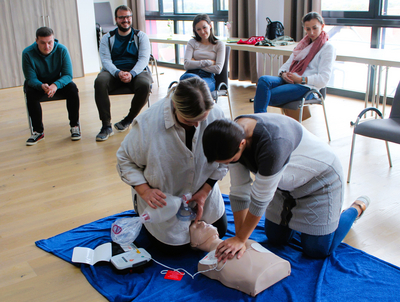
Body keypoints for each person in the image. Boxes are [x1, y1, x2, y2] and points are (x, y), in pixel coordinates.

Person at [202, 114, 371, 260]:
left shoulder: (273, 145)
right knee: (276, 239)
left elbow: (259, 200)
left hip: (320, 181)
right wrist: (240, 238)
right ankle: (313, 225)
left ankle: (355, 209)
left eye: (230, 161)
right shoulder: (230, 135)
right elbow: (239, 192)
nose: (230, 164)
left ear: (242, 144)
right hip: (285, 184)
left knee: (317, 250)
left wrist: (240, 238)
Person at [116, 77, 228, 254]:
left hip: (201, 188)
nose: (198, 125)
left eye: (202, 119)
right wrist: (144, 190)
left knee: (220, 231)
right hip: (165, 198)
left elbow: (226, 156)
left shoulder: (216, 114)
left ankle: (202, 199)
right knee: (173, 250)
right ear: (176, 107)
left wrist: (205, 192)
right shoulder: (148, 124)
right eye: (192, 120)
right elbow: (124, 159)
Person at [253, 12, 336, 113]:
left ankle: (259, 123)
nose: (312, 33)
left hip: (307, 87)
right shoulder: (303, 45)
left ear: (322, 26)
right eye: (308, 29)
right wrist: (283, 74)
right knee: (263, 80)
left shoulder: (328, 48)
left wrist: (301, 79)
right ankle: (260, 123)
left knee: (263, 95)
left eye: (315, 28)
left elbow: (324, 79)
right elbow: (287, 65)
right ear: (305, 29)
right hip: (291, 80)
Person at [94, 5, 153, 141]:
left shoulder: (141, 36)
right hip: (114, 72)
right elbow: (106, 60)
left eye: (127, 17)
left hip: (136, 71)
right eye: (121, 17)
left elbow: (144, 59)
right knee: (100, 81)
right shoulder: (107, 38)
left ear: (131, 18)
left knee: (145, 83)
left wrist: (131, 73)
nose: (125, 20)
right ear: (116, 19)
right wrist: (118, 73)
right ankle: (106, 126)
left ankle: (129, 119)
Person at [190, 221, 291, 296]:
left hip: (279, 264)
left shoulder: (247, 241)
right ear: (194, 244)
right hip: (257, 280)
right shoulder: (205, 263)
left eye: (200, 221)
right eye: (195, 226)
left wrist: (240, 239)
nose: (202, 223)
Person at [22, 27, 80, 146]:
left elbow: (68, 75)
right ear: (36, 40)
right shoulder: (27, 53)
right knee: (30, 92)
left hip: (57, 81)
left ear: (54, 40)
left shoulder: (62, 50)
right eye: (43, 43)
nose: (47, 46)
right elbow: (30, 78)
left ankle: (74, 125)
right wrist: (41, 85)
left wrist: (55, 85)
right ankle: (38, 131)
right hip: (38, 83)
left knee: (73, 89)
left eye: (50, 42)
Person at [179, 14, 225, 92]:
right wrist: (209, 62)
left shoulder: (219, 44)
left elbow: (218, 69)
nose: (202, 32)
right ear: (195, 30)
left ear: (210, 26)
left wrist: (194, 63)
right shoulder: (192, 42)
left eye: (204, 27)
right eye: (198, 29)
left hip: (207, 77)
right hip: (190, 74)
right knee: (186, 80)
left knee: (198, 86)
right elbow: (186, 65)